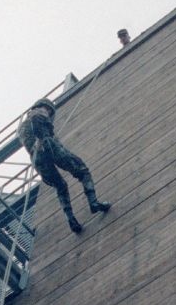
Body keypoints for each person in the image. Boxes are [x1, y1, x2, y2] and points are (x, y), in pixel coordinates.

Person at [18, 98, 110, 234]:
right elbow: (38, 119)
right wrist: (43, 137)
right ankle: (93, 202)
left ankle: (71, 219)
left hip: (36, 159)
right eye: (48, 109)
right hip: (48, 145)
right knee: (82, 170)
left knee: (60, 186)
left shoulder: (22, 127)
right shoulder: (38, 112)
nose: (48, 112)